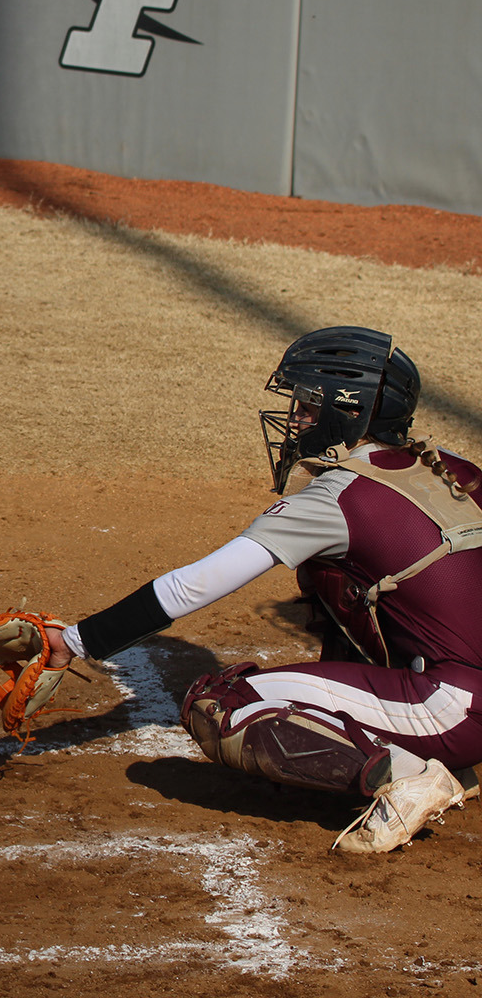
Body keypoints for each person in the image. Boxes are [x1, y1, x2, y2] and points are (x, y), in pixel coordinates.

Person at [44, 326, 482, 853]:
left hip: (453, 707)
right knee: (348, 583)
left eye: (309, 406)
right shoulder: (451, 466)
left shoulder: (339, 497)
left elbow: (193, 585)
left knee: (222, 707)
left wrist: (74, 640)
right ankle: (449, 753)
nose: (295, 419)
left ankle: (411, 773)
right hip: (466, 700)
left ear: (348, 411)